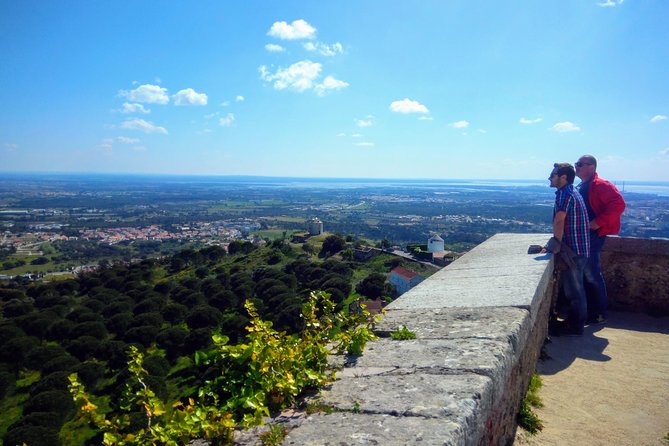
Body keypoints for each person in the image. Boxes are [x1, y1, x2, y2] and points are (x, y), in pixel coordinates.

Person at [575, 155, 626, 325]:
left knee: (591, 273)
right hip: (586, 236)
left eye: (579, 164)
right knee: (585, 273)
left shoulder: (601, 185)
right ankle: (591, 310)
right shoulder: (583, 185)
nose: (577, 167)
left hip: (594, 235)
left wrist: (597, 223)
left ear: (591, 166)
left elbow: (619, 205)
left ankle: (598, 313)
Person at [544, 163, 590, 336]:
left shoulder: (565, 193)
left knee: (575, 291)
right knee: (574, 289)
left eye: (553, 174)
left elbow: (559, 219)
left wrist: (555, 242)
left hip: (574, 251)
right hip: (578, 249)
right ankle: (573, 323)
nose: (550, 178)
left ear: (563, 177)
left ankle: (575, 326)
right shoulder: (572, 191)